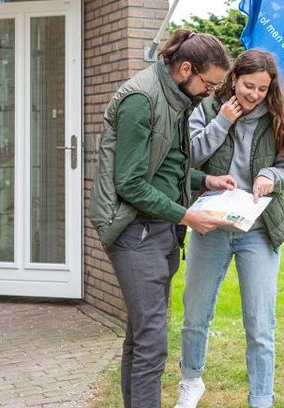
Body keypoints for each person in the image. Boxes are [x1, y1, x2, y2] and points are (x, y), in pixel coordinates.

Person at [88, 29, 238, 408]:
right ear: (186, 69)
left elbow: (166, 167)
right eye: (209, 84)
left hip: (160, 229)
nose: (210, 93)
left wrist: (205, 180)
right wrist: (186, 215)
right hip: (134, 231)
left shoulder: (176, 99)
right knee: (152, 343)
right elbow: (130, 183)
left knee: (141, 335)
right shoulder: (142, 100)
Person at [176, 49, 284, 408]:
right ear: (233, 79)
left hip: (258, 231)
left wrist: (270, 175)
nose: (254, 95)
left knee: (260, 324)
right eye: (249, 86)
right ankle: (191, 381)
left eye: (262, 89)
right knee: (195, 314)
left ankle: (261, 399)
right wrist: (223, 122)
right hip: (211, 226)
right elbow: (188, 158)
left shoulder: (278, 117)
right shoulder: (206, 109)